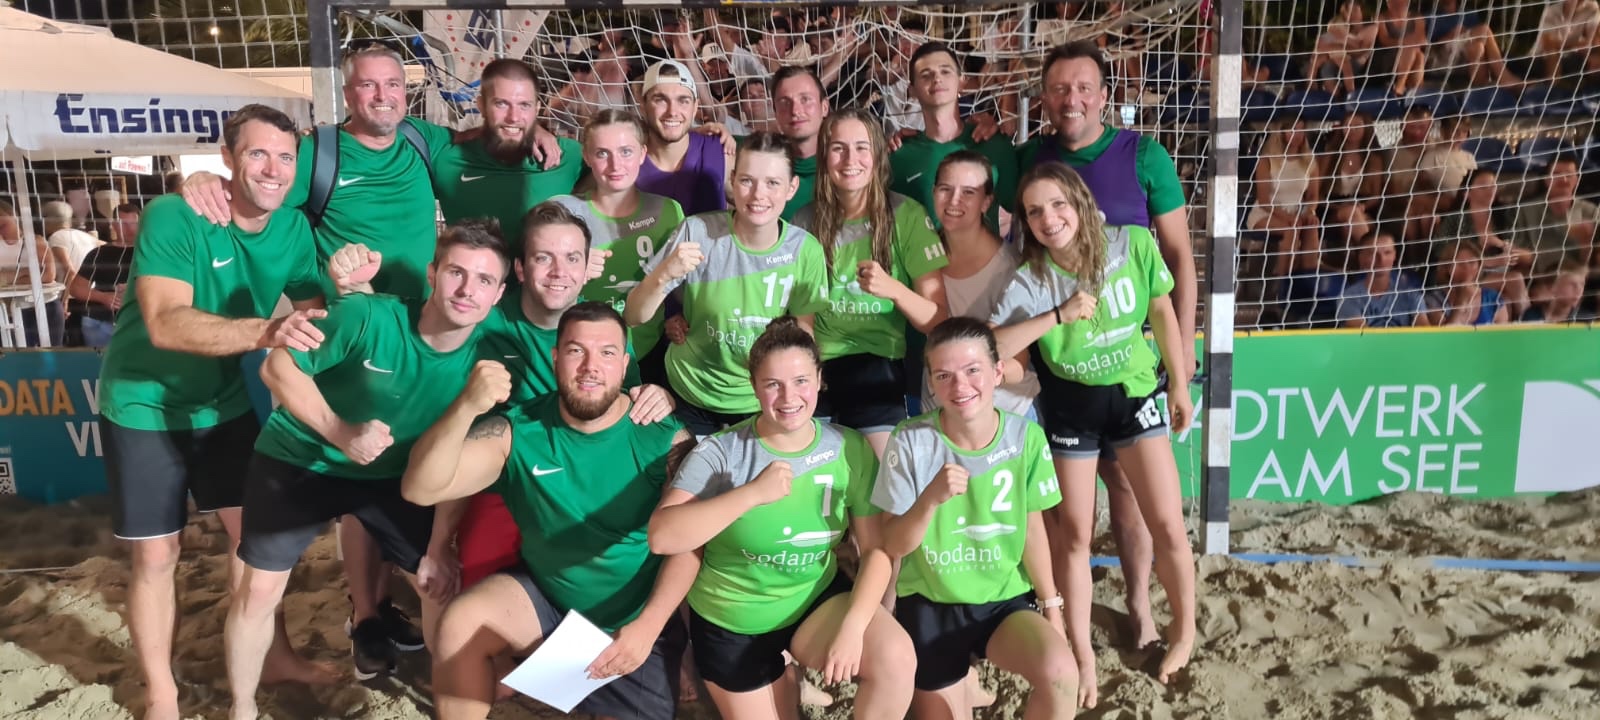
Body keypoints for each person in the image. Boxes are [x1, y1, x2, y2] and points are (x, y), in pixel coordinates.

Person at [180, 46, 566, 666]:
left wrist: (534, 126)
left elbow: (483, 136)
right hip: (354, 333)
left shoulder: (422, 139)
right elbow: (262, 188)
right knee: (352, 475)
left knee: (396, 477)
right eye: (367, 86)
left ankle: (383, 615)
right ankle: (365, 616)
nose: (382, 96)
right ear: (347, 92)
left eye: (393, 85)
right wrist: (209, 182)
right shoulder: (320, 152)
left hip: (427, 329)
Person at [95, 104, 332, 720]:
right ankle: (162, 695)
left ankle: (274, 657)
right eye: (257, 153)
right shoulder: (175, 214)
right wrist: (270, 331)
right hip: (144, 403)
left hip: (222, 403)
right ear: (227, 158)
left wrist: (351, 291)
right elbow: (165, 323)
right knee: (156, 556)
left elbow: (317, 312)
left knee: (257, 545)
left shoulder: (293, 229)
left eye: (285, 156)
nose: (273, 168)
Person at [226, 220, 509, 716]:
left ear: (499, 293)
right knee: (259, 591)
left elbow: (458, 464)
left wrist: (439, 546)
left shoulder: (488, 359)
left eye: (484, 280)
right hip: (301, 457)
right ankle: (242, 708)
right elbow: (277, 367)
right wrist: (341, 432)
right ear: (432, 274)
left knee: (437, 581)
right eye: (456, 273)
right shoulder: (365, 314)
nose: (467, 289)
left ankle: (448, 698)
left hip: (391, 477)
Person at [402, 302, 697, 720]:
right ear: (556, 358)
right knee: (460, 623)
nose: (590, 367)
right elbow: (419, 488)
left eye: (607, 353)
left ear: (624, 364)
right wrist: (466, 405)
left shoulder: (663, 438)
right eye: (576, 351)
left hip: (632, 619)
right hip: (549, 601)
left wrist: (648, 627)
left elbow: (690, 544)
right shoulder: (519, 430)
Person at [991, 163, 1196, 708]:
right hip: (1072, 413)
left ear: (1080, 202)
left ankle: (1183, 633)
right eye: (1034, 211)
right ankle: (1082, 655)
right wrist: (1057, 316)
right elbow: (992, 348)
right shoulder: (1030, 279)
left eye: (1057, 204)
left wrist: (1179, 384)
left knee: (1167, 524)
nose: (1048, 219)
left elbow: (1161, 309)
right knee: (1076, 537)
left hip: (1134, 399)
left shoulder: (1132, 244)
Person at [1020, 40, 1197, 667]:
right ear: (1044, 98)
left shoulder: (1143, 156)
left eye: (1083, 87)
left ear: (1103, 94)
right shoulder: (1028, 159)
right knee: (1069, 518)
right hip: (1064, 366)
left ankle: (1142, 609)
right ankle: (1069, 631)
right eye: (1059, 88)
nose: (1071, 99)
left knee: (1136, 496)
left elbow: (1177, 262)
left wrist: (1183, 358)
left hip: (1130, 363)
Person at [648, 316, 916, 719]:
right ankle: (782, 681)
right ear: (754, 385)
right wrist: (751, 494)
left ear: (820, 380)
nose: (789, 397)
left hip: (811, 601)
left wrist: (853, 626)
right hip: (733, 621)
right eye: (773, 384)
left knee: (896, 658)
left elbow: (876, 550)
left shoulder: (849, 448)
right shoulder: (721, 452)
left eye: (801, 381)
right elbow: (662, 536)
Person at [875, 317, 1077, 720]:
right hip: (931, 606)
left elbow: (1032, 530)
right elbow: (892, 543)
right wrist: (929, 500)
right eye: (944, 375)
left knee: (1061, 676)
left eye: (972, 370)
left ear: (998, 372)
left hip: (1004, 603)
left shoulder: (1025, 437)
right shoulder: (909, 440)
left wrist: (1052, 608)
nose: (960, 386)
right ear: (931, 383)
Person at [625, 132, 830, 438]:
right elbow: (633, 315)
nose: (758, 194)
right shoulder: (697, 232)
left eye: (773, 183)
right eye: (747, 180)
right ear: (732, 181)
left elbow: (804, 331)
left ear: (792, 188)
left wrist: (802, 387)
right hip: (689, 391)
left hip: (760, 399)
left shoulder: (805, 249)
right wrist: (664, 274)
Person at [792, 108, 949, 455]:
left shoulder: (906, 215)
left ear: (877, 155)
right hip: (819, 368)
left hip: (879, 366)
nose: (851, 159)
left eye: (861, 147)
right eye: (839, 148)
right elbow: (803, 320)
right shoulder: (805, 220)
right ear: (824, 156)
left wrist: (893, 289)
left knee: (883, 478)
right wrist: (809, 373)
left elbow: (938, 320)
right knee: (811, 472)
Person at [554, 111, 687, 387]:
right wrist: (571, 270)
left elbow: (681, 283)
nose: (615, 165)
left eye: (626, 151)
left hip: (647, 353)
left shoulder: (667, 211)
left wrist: (681, 316)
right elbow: (534, 287)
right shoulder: (562, 212)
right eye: (602, 153)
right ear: (587, 156)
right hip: (583, 360)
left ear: (642, 154)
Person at [924, 151, 1040, 418]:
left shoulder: (1010, 269)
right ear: (934, 192)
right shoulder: (922, 253)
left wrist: (971, 377)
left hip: (1005, 413)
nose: (954, 200)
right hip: (941, 414)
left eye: (968, 192)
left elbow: (1018, 364)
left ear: (986, 202)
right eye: (945, 189)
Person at [431, 58, 584, 256]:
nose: (514, 117)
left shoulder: (568, 156)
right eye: (501, 104)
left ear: (537, 109)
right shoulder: (446, 161)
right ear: (481, 105)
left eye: (524, 105)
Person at [890, 42, 1019, 235]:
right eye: (926, 75)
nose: (937, 78)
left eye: (945, 71)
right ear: (913, 90)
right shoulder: (899, 156)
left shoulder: (994, 144)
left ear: (962, 81)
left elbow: (1024, 209)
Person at [636, 59, 734, 216]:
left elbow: (750, 203)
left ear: (695, 107)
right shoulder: (626, 160)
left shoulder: (720, 150)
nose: (672, 112)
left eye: (683, 101)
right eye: (660, 100)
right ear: (643, 105)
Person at [68, 204, 138, 349]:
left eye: (134, 223)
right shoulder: (99, 253)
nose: (130, 229)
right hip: (99, 321)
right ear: (114, 225)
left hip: (137, 320)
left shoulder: (150, 252)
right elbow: (76, 288)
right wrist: (104, 297)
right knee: (100, 362)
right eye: (123, 224)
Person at [770, 66, 830, 220]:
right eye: (785, 102)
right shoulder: (763, 160)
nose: (795, 111)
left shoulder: (851, 162)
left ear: (824, 107)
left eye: (805, 99)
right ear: (775, 112)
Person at [0, 198, 62, 347]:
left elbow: (48, 275)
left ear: (13, 215)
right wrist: (27, 272)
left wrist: (8, 277)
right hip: (11, 312)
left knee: (52, 353)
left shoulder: (36, 241)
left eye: (3, 224)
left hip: (46, 305)